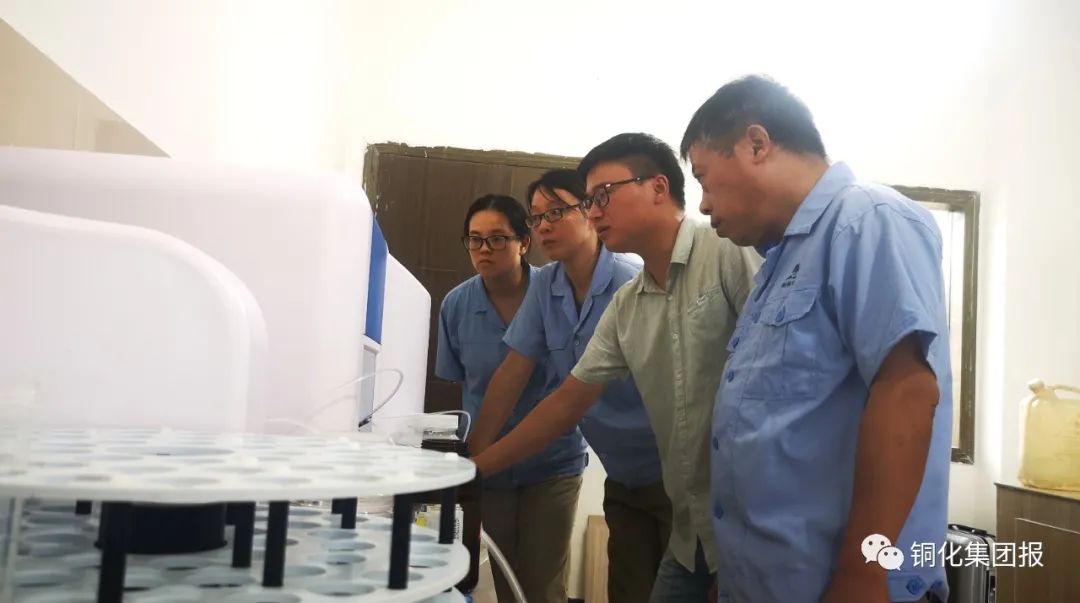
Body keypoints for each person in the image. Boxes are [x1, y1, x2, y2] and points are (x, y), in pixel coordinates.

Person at [682, 75, 952, 603]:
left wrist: (863, 574)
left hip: (842, 585)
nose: (705, 205)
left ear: (756, 144)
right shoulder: (777, 266)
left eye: (705, 179)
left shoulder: (867, 219)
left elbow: (907, 391)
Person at [471, 134, 758, 602]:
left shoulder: (726, 251)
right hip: (666, 501)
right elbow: (566, 400)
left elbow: (776, 382)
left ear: (659, 187)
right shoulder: (629, 304)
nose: (595, 210)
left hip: (741, 510)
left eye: (602, 195)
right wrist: (472, 468)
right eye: (589, 200)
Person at [469, 169, 671, 602]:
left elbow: (568, 404)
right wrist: (471, 460)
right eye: (536, 215)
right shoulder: (546, 285)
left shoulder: (631, 281)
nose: (543, 225)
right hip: (623, 475)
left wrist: (475, 468)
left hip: (673, 471)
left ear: (592, 210)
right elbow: (512, 372)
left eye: (556, 211)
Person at [435, 194, 586, 603]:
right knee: (499, 580)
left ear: (524, 242)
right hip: (489, 467)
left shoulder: (557, 294)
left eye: (498, 238)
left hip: (552, 464)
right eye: (475, 239)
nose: (484, 249)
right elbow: (459, 384)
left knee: (542, 584)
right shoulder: (456, 305)